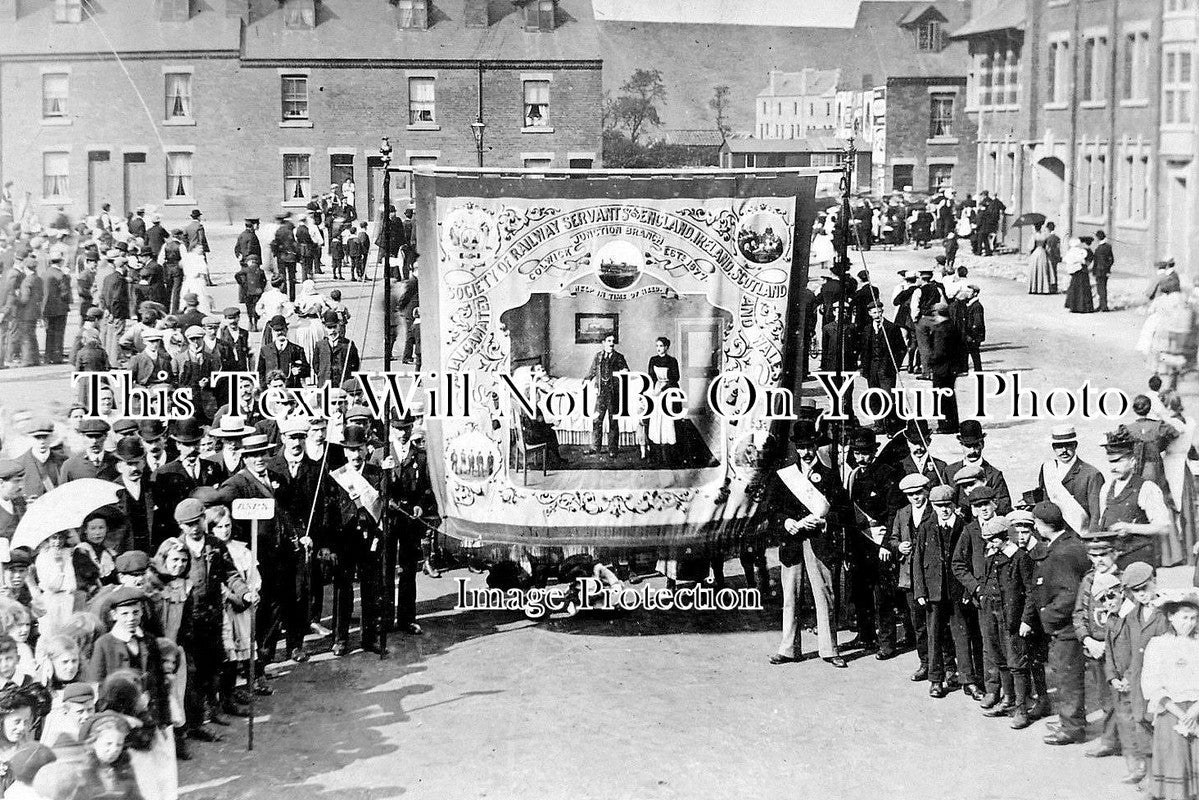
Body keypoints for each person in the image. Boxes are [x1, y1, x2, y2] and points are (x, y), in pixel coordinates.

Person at [769, 422, 848, 669]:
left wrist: (824, 521)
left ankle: (829, 648)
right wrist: (787, 522)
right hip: (793, 541)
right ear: (797, 448)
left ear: (816, 446)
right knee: (790, 595)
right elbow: (774, 510)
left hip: (819, 540)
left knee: (823, 593)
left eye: (809, 446)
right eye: (801, 447)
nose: (805, 452)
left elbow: (843, 511)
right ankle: (789, 648)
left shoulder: (830, 475)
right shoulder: (785, 475)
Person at [1030, 500, 1091, 745]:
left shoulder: (1061, 553)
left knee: (1067, 676)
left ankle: (1072, 727)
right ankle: (1072, 720)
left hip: (1065, 627)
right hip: (1070, 624)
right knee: (1069, 674)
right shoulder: (1072, 543)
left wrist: (1047, 615)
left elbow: (1069, 593)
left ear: (1044, 526)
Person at [914, 485, 982, 698]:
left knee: (962, 636)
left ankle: (968, 680)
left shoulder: (964, 526)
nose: (944, 510)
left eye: (948, 505)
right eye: (939, 506)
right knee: (934, 636)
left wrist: (967, 590)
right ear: (932, 506)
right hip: (934, 591)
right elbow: (918, 559)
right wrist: (920, 591)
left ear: (954, 505)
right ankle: (936, 679)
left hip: (957, 590)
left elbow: (969, 560)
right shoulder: (926, 526)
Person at [1108, 562, 1173, 786]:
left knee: (1163, 725)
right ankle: (1149, 772)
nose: (1142, 594)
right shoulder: (1132, 616)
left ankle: (1164, 776)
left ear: (1155, 581)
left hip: (1163, 681)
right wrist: (1124, 675)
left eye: (1145, 587)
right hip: (1138, 681)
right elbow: (1127, 650)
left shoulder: (1167, 612)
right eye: (1136, 591)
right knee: (1142, 723)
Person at [1140, 590, 1199, 800]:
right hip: (1170, 711)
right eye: (1184, 617)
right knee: (1175, 763)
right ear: (1171, 617)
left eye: (1194, 618)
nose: (1189, 623)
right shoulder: (1158, 645)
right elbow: (1152, 684)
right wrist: (1180, 713)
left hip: (1196, 710)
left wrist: (1194, 711)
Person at [1100, 426, 1175, 569]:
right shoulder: (1106, 488)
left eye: (1118, 461)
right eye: (1111, 462)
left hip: (1139, 559)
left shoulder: (1147, 488)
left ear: (1133, 461)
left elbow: (1164, 527)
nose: (1113, 467)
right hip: (1113, 561)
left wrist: (1129, 528)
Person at [1038, 424, 1105, 534]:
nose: (1064, 450)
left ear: (1075, 445)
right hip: (1054, 534)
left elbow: (1096, 515)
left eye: (1068, 445)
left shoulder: (1091, 474)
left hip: (1078, 535)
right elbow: (1044, 504)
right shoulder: (1047, 468)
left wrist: (1092, 539)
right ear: (1053, 447)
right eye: (1059, 446)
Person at [584, 334, 629, 459]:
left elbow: (626, 370)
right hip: (601, 394)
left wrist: (624, 371)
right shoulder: (598, 356)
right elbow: (592, 371)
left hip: (614, 393)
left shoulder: (619, 357)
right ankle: (595, 447)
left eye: (613, 341)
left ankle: (612, 449)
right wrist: (587, 380)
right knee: (597, 420)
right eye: (609, 341)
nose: (611, 343)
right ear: (603, 342)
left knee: (613, 422)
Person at [645, 337, 681, 465]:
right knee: (655, 420)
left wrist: (663, 388)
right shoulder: (653, 360)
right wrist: (655, 389)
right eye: (657, 346)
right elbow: (651, 376)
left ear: (666, 347)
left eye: (661, 346)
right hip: (656, 391)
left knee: (667, 420)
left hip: (669, 391)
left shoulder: (672, 361)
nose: (659, 348)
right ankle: (656, 453)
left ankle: (668, 454)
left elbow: (675, 378)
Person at [257, 315, 310, 389]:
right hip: (272, 391)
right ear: (272, 331)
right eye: (277, 330)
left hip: (291, 391)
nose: (280, 332)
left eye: (282, 329)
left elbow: (307, 370)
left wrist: (299, 370)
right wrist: (264, 389)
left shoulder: (297, 349)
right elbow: (260, 372)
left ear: (287, 329)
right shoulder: (265, 350)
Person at [42, 253, 71, 366]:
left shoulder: (45, 273)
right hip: (59, 308)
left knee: (49, 332)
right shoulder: (61, 275)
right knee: (59, 333)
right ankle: (57, 356)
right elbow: (65, 293)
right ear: (60, 261)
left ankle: (48, 356)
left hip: (47, 307)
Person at [234, 254, 267, 333]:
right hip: (258, 293)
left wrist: (242, 283)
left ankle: (250, 321)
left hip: (248, 292)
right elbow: (264, 281)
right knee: (256, 308)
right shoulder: (261, 271)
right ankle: (255, 323)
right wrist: (261, 288)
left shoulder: (246, 269)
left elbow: (236, 275)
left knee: (249, 308)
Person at [1063, 237, 1095, 314]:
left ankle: (1074, 306)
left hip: (1076, 272)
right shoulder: (1082, 251)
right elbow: (1085, 261)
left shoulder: (1073, 251)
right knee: (1083, 289)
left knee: (1075, 289)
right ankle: (1084, 307)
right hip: (1082, 271)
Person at [1028, 223, 1055, 295]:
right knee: (1043, 270)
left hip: (1036, 253)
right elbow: (1047, 246)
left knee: (1035, 269)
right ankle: (1043, 288)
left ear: (1035, 228)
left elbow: (1031, 246)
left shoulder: (1034, 236)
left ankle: (1034, 288)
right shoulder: (1044, 235)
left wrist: (1030, 252)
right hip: (1043, 253)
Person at [1092, 229, 1114, 312]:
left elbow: (1097, 261)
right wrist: (1108, 269)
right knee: (1102, 288)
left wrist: (1095, 271)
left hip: (1099, 271)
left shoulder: (1099, 249)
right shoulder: (1108, 246)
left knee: (1101, 289)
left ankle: (1103, 306)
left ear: (1098, 238)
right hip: (1105, 271)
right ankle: (1102, 305)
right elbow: (1111, 260)